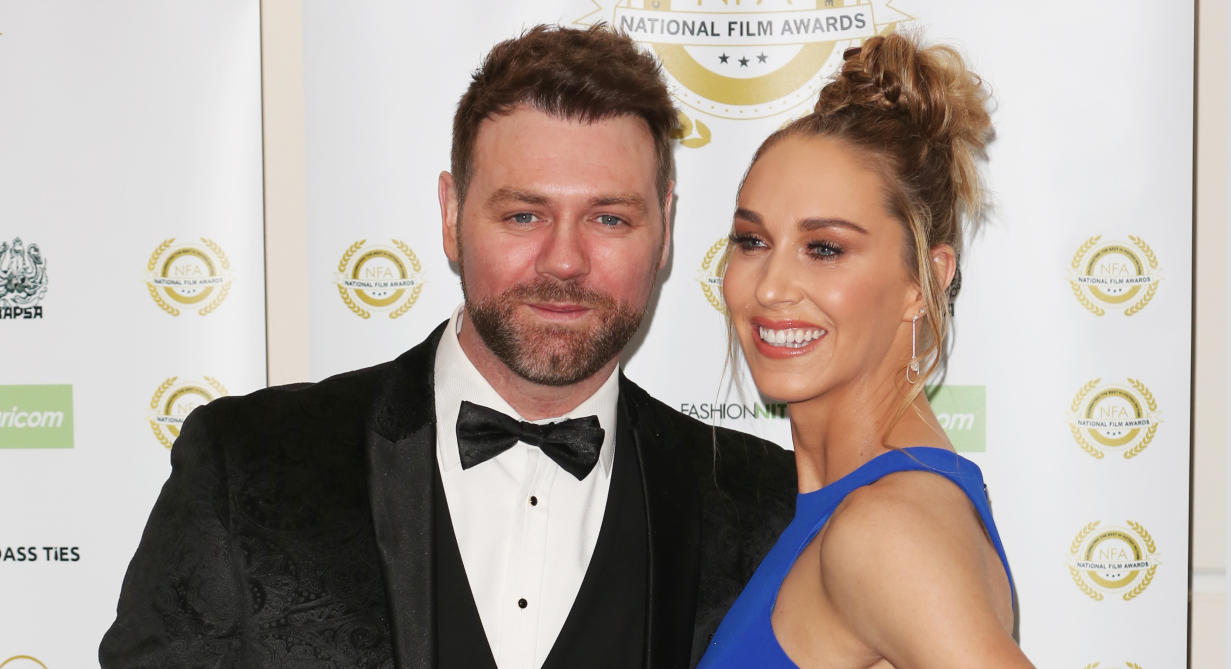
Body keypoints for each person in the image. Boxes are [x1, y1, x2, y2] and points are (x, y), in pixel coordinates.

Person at [99, 25, 794, 669]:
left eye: (608, 218)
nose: (564, 260)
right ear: (452, 215)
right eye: (524, 214)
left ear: (666, 230)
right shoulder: (248, 463)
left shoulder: (764, 508)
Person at [697, 34, 1035, 668]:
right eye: (752, 241)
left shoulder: (885, 530)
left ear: (925, 281)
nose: (770, 286)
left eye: (825, 248)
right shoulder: (851, 509)